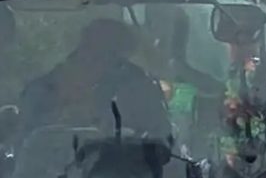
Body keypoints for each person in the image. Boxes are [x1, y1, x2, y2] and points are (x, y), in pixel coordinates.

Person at [17, 18, 172, 143]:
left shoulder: (139, 88)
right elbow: (22, 139)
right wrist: (64, 115)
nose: (95, 55)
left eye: (110, 51)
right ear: (81, 43)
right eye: (91, 46)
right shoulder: (44, 89)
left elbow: (163, 145)